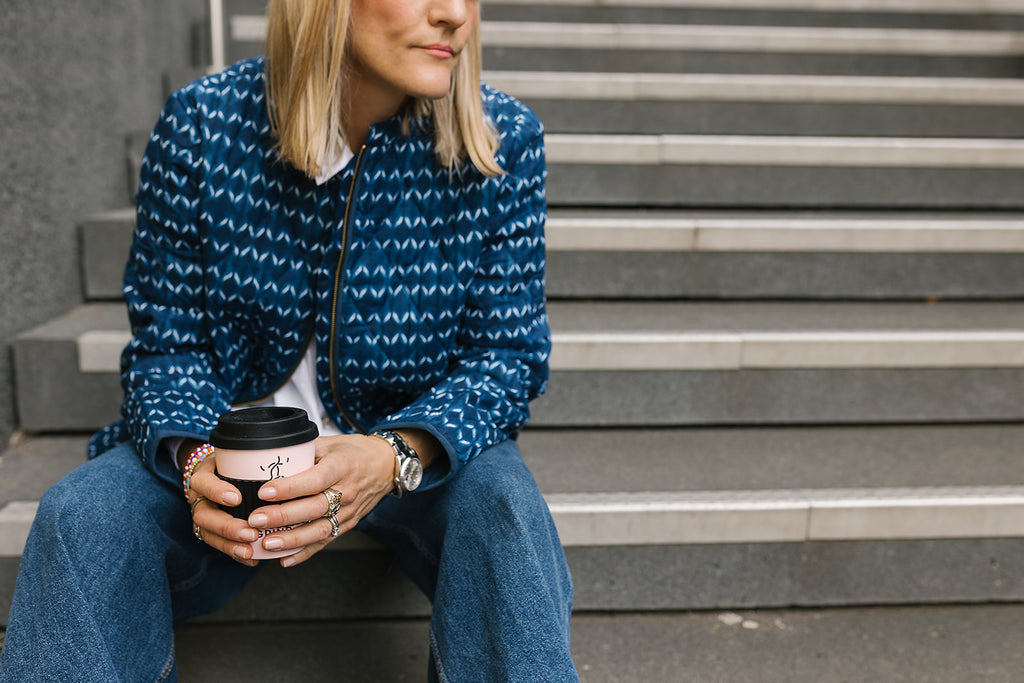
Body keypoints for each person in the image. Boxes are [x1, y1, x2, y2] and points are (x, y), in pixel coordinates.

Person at [0, 0, 578, 680]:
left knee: (505, 508)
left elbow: (505, 357)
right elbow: (167, 349)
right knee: (80, 517)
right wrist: (196, 462)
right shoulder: (202, 125)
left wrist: (391, 455)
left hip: (410, 451)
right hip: (226, 449)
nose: (454, 14)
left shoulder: (503, 138)